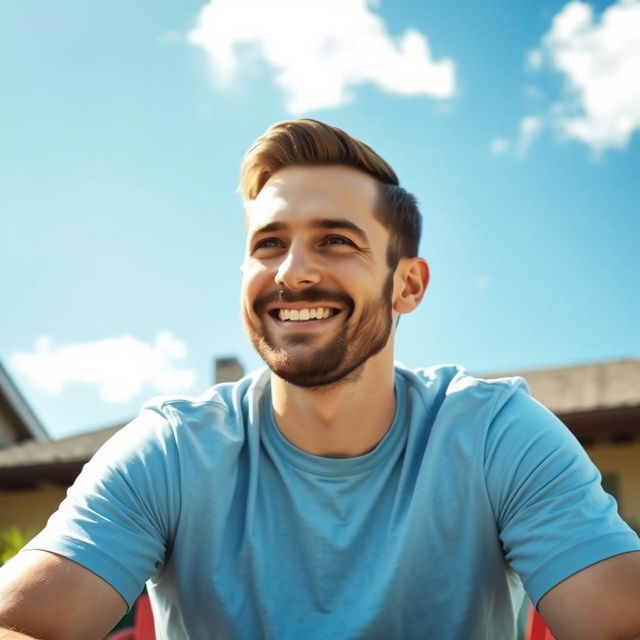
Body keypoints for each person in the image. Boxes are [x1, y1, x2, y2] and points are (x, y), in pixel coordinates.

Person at [1, 119, 639, 640]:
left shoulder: (498, 434)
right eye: (269, 243)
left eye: (336, 241)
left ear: (407, 284)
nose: (292, 273)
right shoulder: (172, 449)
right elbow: (22, 626)